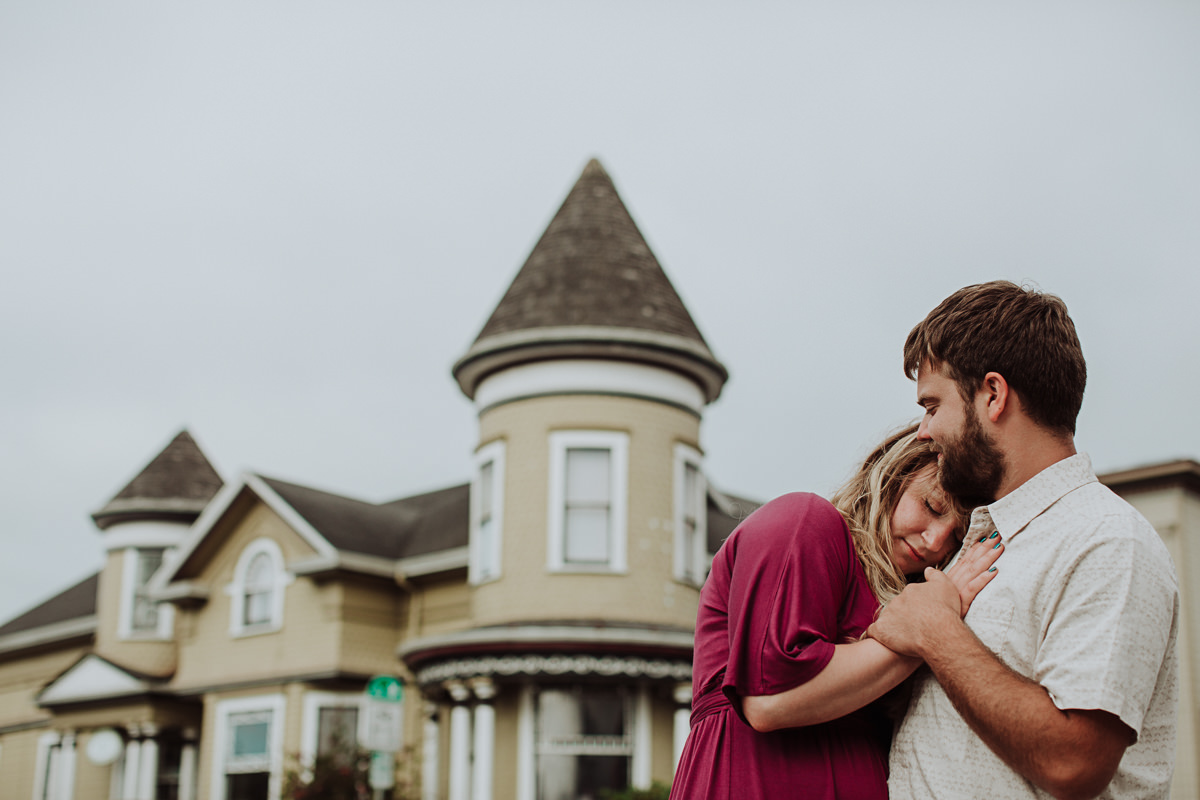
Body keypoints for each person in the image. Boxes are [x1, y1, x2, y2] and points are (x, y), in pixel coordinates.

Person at [870, 281, 1180, 799]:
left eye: (932, 405)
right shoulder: (977, 543)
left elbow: (1073, 762)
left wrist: (935, 631)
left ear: (993, 394)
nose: (923, 431)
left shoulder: (1106, 541)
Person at [669, 424, 1004, 800]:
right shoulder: (805, 522)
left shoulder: (911, 598)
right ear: (892, 476)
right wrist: (930, 628)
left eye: (957, 536)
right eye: (931, 507)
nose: (935, 541)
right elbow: (767, 702)